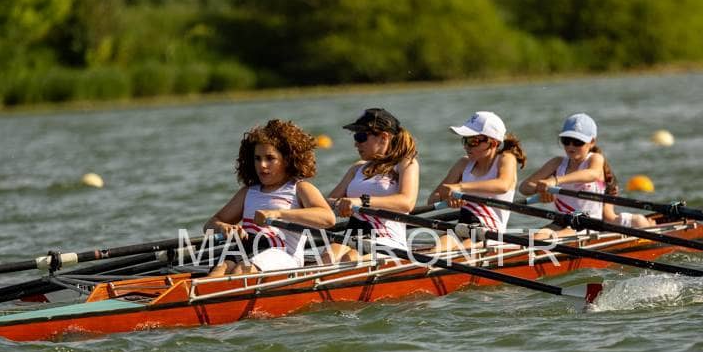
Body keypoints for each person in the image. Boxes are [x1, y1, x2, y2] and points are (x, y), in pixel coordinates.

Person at [204, 119, 336, 276]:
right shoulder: (247, 192)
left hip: (283, 253)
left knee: (242, 270)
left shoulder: (300, 188)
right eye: (257, 158)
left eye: (270, 158)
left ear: (287, 160)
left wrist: (278, 214)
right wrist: (223, 227)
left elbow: (328, 218)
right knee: (217, 273)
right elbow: (209, 225)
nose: (262, 165)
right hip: (247, 248)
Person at [324, 108, 419, 262]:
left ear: (383, 137)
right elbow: (327, 203)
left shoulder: (405, 164)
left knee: (350, 258)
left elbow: (407, 202)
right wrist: (338, 204)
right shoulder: (357, 168)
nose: (356, 144)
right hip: (353, 233)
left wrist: (362, 201)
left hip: (387, 238)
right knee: (327, 256)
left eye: (361, 136)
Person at [426, 111, 526, 250]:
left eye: (473, 141)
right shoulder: (463, 164)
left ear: (493, 143)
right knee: (437, 249)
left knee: (462, 251)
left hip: (491, 232)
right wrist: (447, 197)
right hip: (462, 227)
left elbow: (503, 185)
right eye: (465, 140)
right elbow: (432, 199)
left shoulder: (506, 159)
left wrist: (460, 187)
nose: (466, 146)